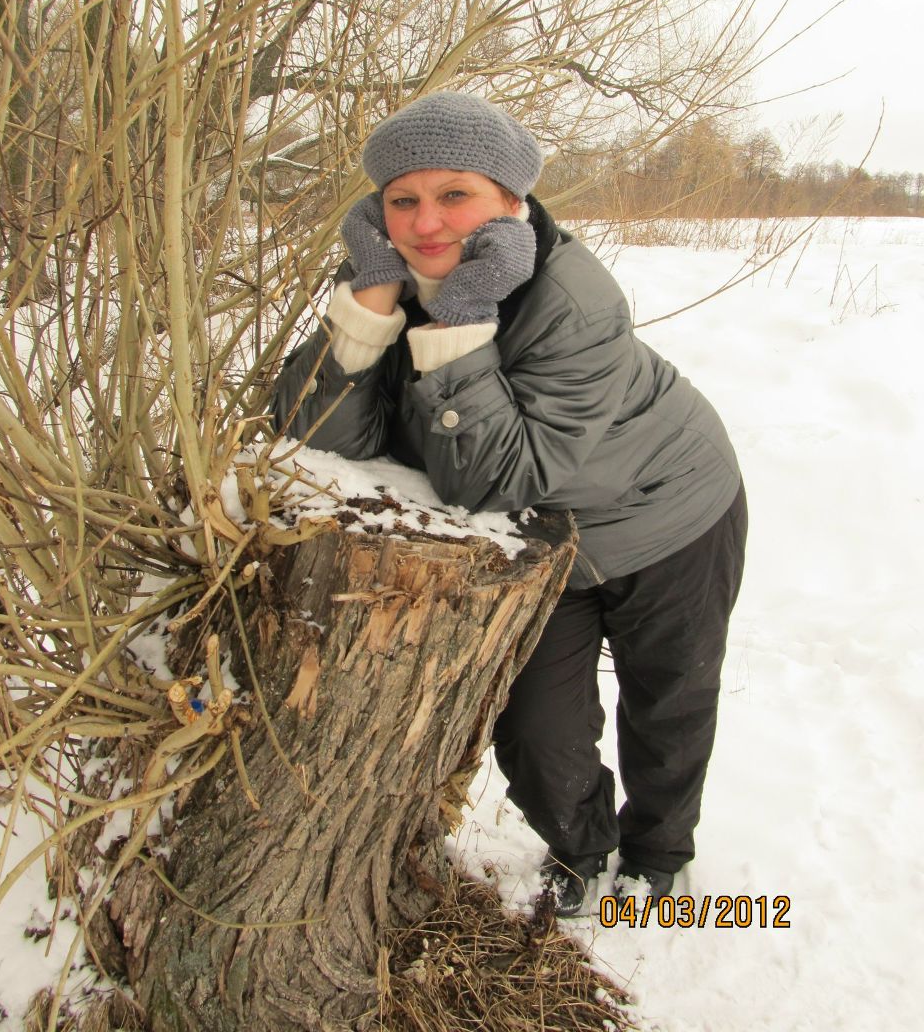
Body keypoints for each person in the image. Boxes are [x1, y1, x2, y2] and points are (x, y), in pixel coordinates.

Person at [271, 92, 747, 916]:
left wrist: (457, 319)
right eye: (403, 200)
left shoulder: (573, 299)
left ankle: (660, 856)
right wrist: (372, 305)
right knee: (535, 733)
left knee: (669, 702)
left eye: (455, 194)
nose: (427, 222)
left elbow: (497, 475)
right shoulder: (398, 280)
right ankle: (583, 849)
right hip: (544, 545)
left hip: (672, 513)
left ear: (509, 204)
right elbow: (320, 438)